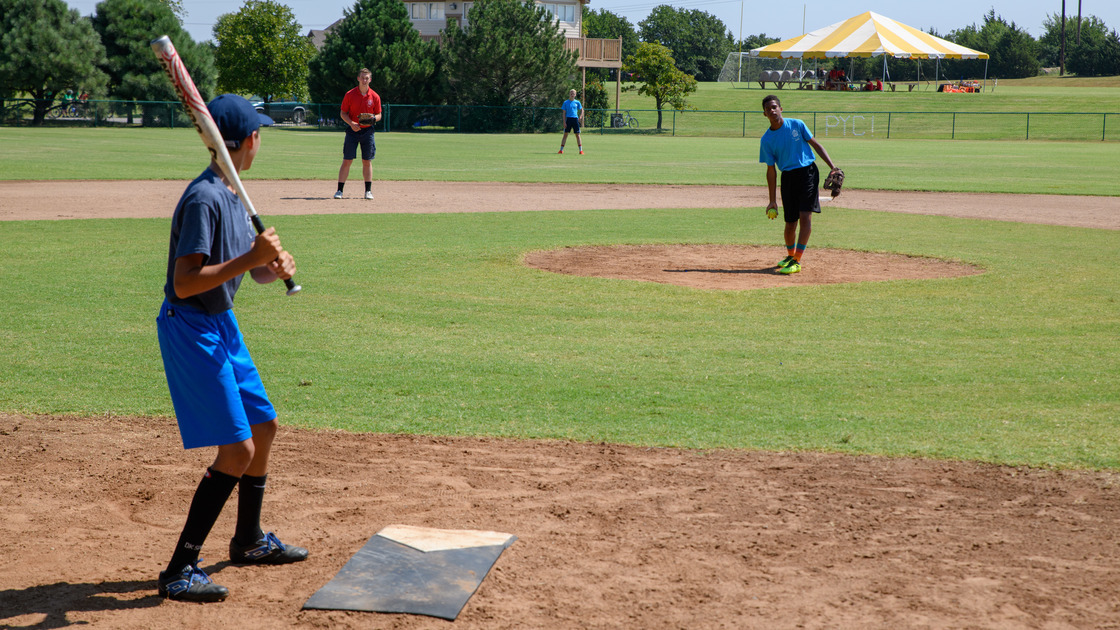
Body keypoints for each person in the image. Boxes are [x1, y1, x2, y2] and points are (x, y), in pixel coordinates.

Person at [156, 93, 305, 603]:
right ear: (245, 141)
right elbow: (184, 282)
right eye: (260, 132)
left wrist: (270, 266)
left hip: (221, 321)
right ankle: (180, 567)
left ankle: (248, 541)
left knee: (263, 426)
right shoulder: (204, 197)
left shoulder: (234, 189)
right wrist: (250, 260)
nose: (263, 139)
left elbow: (250, 269)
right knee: (237, 449)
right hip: (192, 325)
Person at [758, 94, 840, 275]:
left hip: (808, 173)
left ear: (780, 109)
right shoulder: (766, 140)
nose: (772, 111)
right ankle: (790, 255)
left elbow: (816, 145)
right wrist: (772, 201)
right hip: (787, 177)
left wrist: (833, 167)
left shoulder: (797, 124)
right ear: (764, 114)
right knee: (790, 223)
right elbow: (771, 171)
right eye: (768, 109)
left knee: (805, 216)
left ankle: (797, 260)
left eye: (774, 107)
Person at [334, 68, 382, 200]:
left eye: (367, 78)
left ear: (370, 80)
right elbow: (343, 113)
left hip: (368, 131)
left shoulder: (375, 96)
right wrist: (351, 123)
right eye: (362, 77)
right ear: (358, 78)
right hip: (352, 131)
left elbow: (379, 115)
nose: (364, 80)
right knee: (347, 160)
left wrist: (373, 119)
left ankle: (368, 191)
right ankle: (339, 190)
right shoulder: (350, 94)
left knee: (367, 161)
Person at [558, 89, 584, 155]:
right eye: (571, 93)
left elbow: (582, 110)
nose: (572, 95)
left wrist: (580, 116)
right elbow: (564, 113)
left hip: (575, 119)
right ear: (569, 94)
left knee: (577, 135)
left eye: (573, 94)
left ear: (575, 95)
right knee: (565, 134)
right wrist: (564, 122)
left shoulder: (577, 102)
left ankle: (580, 150)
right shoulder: (565, 102)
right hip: (568, 119)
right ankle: (561, 150)